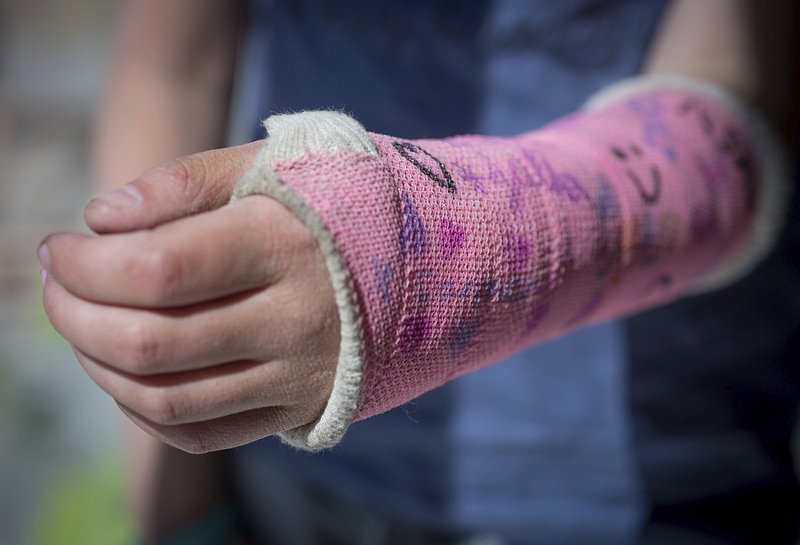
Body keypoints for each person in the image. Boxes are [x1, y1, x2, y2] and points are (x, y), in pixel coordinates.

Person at [38, 1, 800, 544]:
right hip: (291, 478)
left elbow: (730, 121)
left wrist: (417, 253)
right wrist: (179, 504)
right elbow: (170, 67)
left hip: (649, 482)